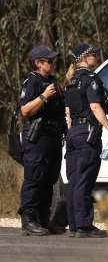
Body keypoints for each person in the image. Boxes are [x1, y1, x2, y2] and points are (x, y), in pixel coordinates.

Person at [64, 43, 108, 238]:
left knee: (73, 181)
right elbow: (96, 107)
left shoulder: (71, 81)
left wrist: (73, 133)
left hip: (73, 134)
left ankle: (73, 225)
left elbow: (68, 113)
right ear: (85, 58)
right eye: (94, 55)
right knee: (84, 181)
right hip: (87, 133)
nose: (97, 57)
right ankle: (84, 226)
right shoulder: (90, 78)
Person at [18, 45, 66, 235]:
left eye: (54, 60)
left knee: (50, 179)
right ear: (38, 63)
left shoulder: (53, 82)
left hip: (53, 138)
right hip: (37, 138)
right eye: (49, 61)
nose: (54, 64)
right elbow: (25, 110)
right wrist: (43, 97)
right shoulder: (33, 82)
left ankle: (44, 219)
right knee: (34, 179)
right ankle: (29, 220)